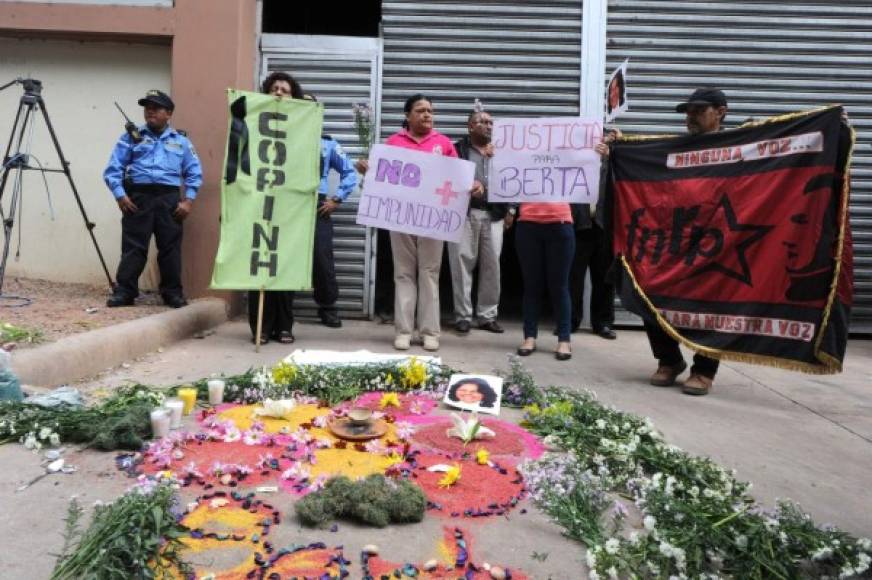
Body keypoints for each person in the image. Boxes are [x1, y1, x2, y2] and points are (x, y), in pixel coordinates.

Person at [645, 87, 727, 396]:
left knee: (716, 305)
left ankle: (704, 370)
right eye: (688, 112)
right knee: (648, 294)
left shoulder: (741, 146)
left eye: (698, 110)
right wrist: (615, 149)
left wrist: (830, 127)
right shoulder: (674, 149)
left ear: (721, 112)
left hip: (720, 240)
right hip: (676, 239)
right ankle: (669, 360)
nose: (690, 117)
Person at [363, 94, 459, 352]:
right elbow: (382, 180)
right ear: (408, 116)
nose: (427, 115)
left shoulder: (444, 143)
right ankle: (404, 331)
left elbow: (456, 178)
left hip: (433, 219)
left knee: (429, 274)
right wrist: (368, 172)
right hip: (401, 218)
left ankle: (429, 332)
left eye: (430, 110)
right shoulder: (394, 142)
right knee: (403, 274)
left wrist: (471, 185)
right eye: (420, 110)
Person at [104, 89, 203, 309]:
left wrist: (188, 200)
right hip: (138, 197)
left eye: (156, 108)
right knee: (133, 247)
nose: (150, 112)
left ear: (168, 113)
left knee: (170, 249)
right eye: (147, 107)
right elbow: (113, 169)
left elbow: (194, 172)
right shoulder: (131, 137)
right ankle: (125, 292)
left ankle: (172, 293)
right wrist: (120, 195)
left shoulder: (181, 142)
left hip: (169, 199)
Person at [516, 141, 611, 362]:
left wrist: (604, 156)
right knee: (532, 285)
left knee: (560, 286)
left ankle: (564, 339)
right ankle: (529, 337)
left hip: (560, 225)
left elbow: (594, 175)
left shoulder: (570, 163)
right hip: (528, 225)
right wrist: (494, 157)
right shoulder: (523, 161)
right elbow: (502, 172)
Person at [246, 72, 304, 344]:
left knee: (284, 264)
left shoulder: (303, 128)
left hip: (290, 206)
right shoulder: (251, 123)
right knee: (259, 264)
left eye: (286, 90)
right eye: (274, 88)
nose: (279, 93)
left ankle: (284, 325)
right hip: (258, 203)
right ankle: (261, 326)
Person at [448, 107, 513, 335]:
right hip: (464, 213)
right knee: (461, 263)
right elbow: (445, 177)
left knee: (492, 265)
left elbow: (514, 179)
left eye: (490, 122)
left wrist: (511, 210)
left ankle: (487, 316)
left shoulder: (502, 152)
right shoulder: (457, 149)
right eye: (482, 122)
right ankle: (463, 316)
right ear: (470, 126)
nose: (488, 126)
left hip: (493, 214)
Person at [303, 92, 359, 329]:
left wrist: (337, 199)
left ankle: (327, 307)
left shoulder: (327, 144)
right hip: (285, 206)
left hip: (317, 207)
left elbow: (350, 172)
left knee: (322, 259)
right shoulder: (277, 139)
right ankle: (278, 309)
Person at [569, 128, 621, 340]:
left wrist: (610, 156)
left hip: (604, 226)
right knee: (573, 277)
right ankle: (570, 321)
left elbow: (623, 186)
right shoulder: (574, 161)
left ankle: (603, 323)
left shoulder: (614, 162)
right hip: (578, 225)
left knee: (604, 278)